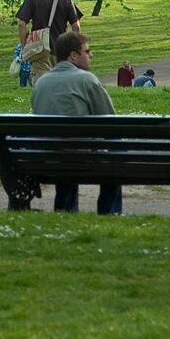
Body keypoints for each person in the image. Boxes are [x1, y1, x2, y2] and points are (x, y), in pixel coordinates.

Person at [30, 30, 122, 215]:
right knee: (115, 154)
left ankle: (65, 211)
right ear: (73, 55)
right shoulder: (87, 80)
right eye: (87, 52)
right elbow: (111, 122)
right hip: (81, 157)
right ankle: (109, 212)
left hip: (46, 159)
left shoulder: (41, 83)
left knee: (65, 150)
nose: (91, 55)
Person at [16, 0, 82, 82]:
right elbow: (76, 26)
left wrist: (24, 45)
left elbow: (22, 24)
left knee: (42, 85)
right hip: (61, 49)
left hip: (39, 49)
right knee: (61, 84)